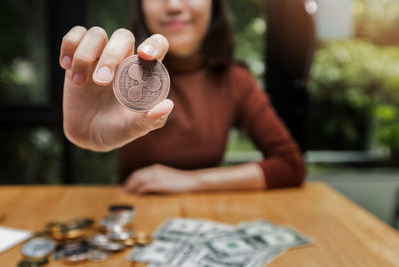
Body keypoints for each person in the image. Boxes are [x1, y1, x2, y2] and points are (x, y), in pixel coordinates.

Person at [59, 0, 306, 194]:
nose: (174, 5)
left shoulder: (237, 80)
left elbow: (290, 166)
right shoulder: (114, 74)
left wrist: (190, 181)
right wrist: (87, 134)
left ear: (214, 3)